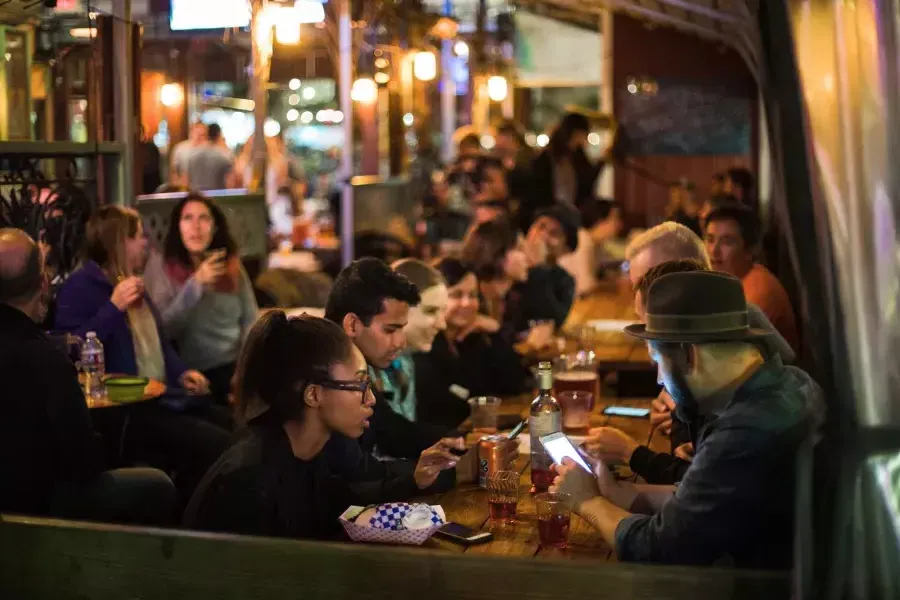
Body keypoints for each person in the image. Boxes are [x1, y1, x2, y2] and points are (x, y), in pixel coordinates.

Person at [552, 271, 821, 569]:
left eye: (658, 361)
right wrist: (617, 493)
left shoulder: (745, 431)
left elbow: (660, 550)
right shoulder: (792, 384)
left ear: (688, 355)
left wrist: (587, 501)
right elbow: (701, 508)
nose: (659, 378)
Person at [184, 312, 463, 539]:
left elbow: (340, 500)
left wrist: (416, 478)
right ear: (314, 394)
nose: (370, 399)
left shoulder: (309, 447)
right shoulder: (249, 476)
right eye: (359, 384)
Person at [54, 206, 230, 501]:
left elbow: (158, 343)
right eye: (138, 236)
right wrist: (113, 307)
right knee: (215, 444)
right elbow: (72, 349)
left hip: (162, 395)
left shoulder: (130, 279)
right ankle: (189, 520)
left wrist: (182, 371)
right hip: (125, 410)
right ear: (119, 241)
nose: (145, 243)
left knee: (232, 427)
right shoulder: (80, 287)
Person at [0, 228, 175, 525]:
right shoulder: (45, 358)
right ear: (43, 283)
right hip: (36, 506)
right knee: (158, 485)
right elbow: (83, 461)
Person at [610, 222, 796, 474]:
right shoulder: (698, 329)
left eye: (650, 284)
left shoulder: (732, 328)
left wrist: (637, 454)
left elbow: (716, 474)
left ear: (682, 274)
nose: (640, 296)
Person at [324, 258, 463, 462]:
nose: (400, 342)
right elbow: (356, 476)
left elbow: (394, 431)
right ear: (352, 325)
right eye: (391, 329)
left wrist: (462, 442)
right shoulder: (330, 377)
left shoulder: (355, 372)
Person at [144, 193, 259, 405]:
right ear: (178, 227)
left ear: (214, 227)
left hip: (234, 366)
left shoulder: (230, 265)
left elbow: (250, 318)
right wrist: (195, 284)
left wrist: (244, 369)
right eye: (188, 218)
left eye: (204, 218)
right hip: (191, 372)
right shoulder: (163, 266)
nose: (196, 226)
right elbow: (164, 329)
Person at [415, 258, 530, 429]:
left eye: (473, 295)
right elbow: (449, 410)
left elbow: (516, 382)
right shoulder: (425, 345)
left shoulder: (472, 338)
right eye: (456, 295)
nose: (467, 303)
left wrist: (495, 331)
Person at [461, 218, 572, 347]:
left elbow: (554, 319)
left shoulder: (512, 295)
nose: (528, 256)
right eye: (520, 248)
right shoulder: (470, 300)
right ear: (498, 254)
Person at [704, 203, 799, 354]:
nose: (714, 251)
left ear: (750, 250)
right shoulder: (726, 282)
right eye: (710, 240)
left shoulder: (760, 292)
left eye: (727, 242)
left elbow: (729, 355)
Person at [366, 258, 449, 423]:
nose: (442, 325)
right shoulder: (363, 365)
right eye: (431, 311)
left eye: (443, 312)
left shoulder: (405, 359)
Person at [524, 112, 610, 229]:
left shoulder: (578, 157)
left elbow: (587, 183)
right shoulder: (547, 159)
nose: (584, 140)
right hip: (548, 216)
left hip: (571, 217)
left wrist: (602, 161)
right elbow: (537, 191)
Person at [186, 123, 235, 191]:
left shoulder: (191, 156)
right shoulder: (225, 157)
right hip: (218, 198)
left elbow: (186, 181)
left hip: (197, 197)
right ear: (218, 135)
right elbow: (230, 184)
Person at [170, 121, 207, 186]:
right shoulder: (180, 148)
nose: (199, 137)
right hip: (184, 186)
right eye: (197, 133)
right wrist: (176, 185)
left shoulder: (208, 150)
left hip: (203, 186)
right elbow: (174, 170)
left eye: (202, 135)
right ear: (191, 133)